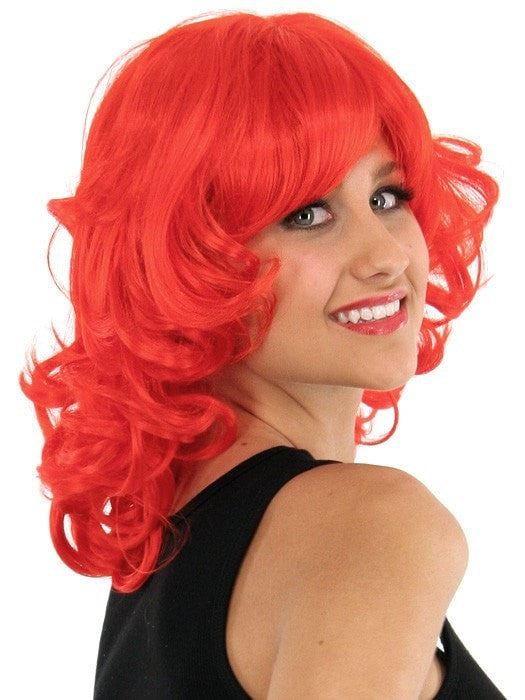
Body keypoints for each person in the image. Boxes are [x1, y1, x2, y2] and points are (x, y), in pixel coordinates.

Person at [20, 10, 505, 698]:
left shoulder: (172, 551)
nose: (386, 255)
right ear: (188, 257)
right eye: (306, 214)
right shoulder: (369, 526)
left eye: (386, 195)